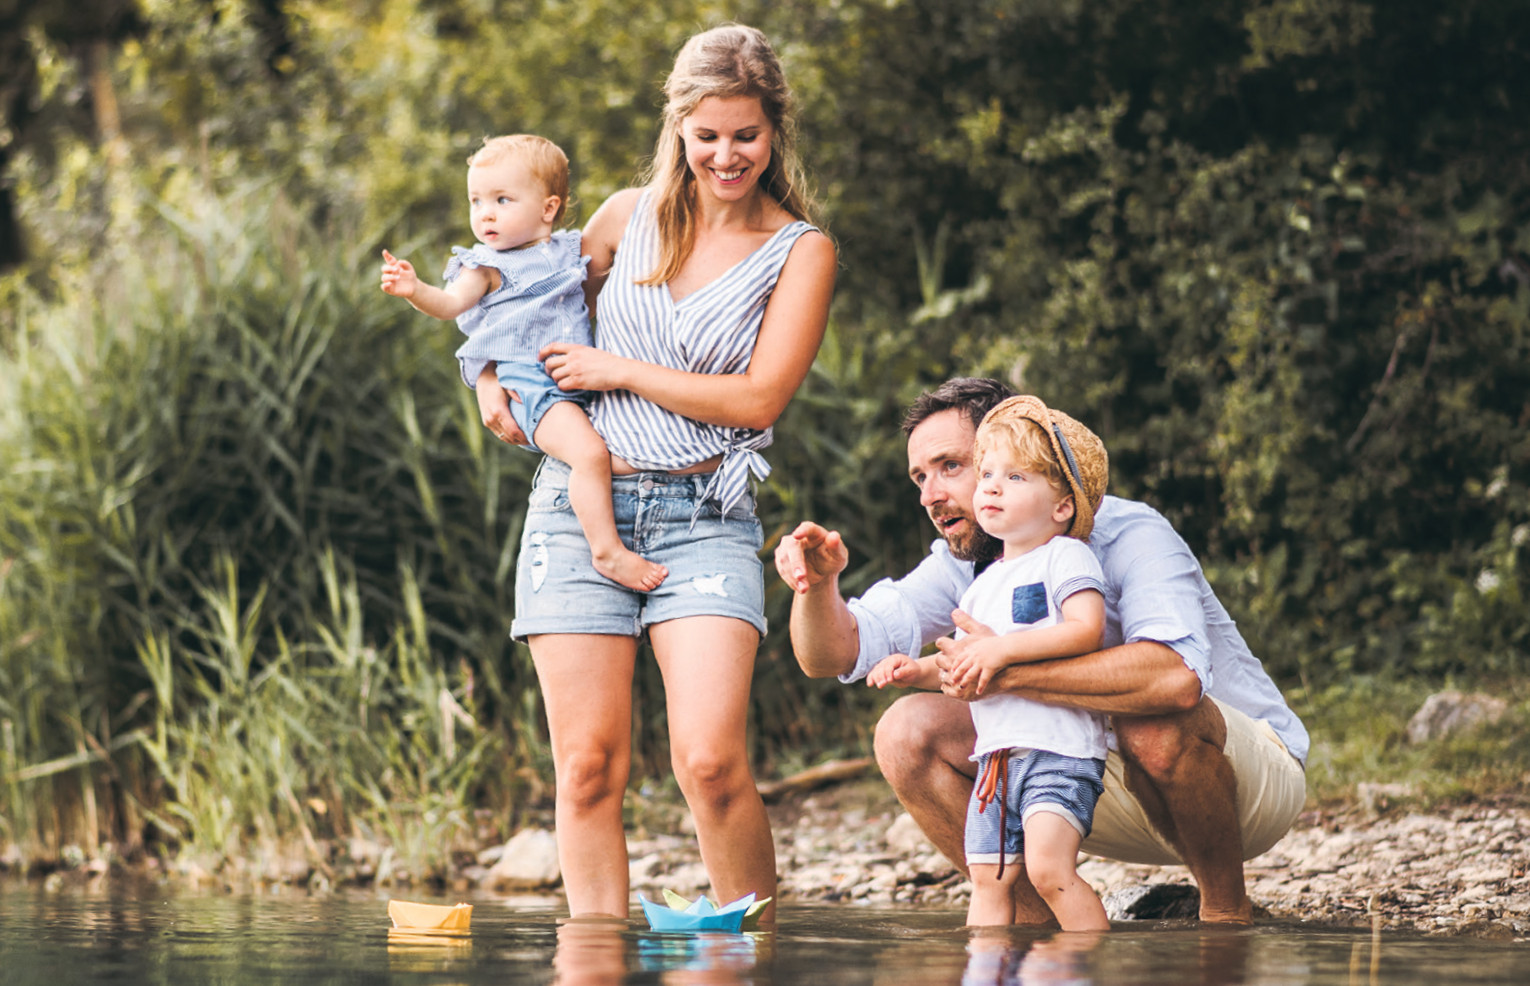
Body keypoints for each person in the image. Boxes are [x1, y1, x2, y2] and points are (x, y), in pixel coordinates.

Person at [477, 25, 837, 922]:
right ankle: (594, 957)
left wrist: (622, 372)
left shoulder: (799, 250)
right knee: (589, 768)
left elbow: (758, 401)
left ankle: (752, 955)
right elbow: (518, 307)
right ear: (679, 126)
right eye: (707, 134)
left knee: (710, 763)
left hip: (702, 513)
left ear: (774, 133)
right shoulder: (620, 219)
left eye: (745, 135)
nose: (726, 155)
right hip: (578, 508)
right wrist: (487, 376)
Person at [775, 377, 1308, 926]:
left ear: (1022, 451)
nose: (929, 496)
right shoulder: (968, 564)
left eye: (952, 467)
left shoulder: (1128, 532)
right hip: (1076, 778)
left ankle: (1225, 919)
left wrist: (1004, 671)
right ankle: (1039, 936)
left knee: (1151, 717)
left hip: (1246, 789)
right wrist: (817, 588)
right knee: (903, 733)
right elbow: (833, 655)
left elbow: (1174, 679)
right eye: (920, 477)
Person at [380, 134, 666, 592]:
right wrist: (415, 290)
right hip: (531, 385)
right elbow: (450, 304)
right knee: (590, 454)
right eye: (476, 201)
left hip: (578, 379)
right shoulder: (486, 267)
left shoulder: (569, 251)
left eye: (501, 199)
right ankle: (607, 551)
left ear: (548, 208)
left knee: (604, 447)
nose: (485, 213)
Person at [869, 395, 1113, 931]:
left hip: (1058, 751)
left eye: (1016, 477)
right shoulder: (985, 583)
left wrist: (1001, 650)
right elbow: (962, 659)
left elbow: (1084, 629)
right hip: (995, 761)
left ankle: (1089, 963)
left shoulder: (1065, 556)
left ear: (1062, 506)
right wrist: (917, 671)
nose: (993, 487)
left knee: (1050, 870)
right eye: (987, 476)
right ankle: (985, 966)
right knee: (987, 876)